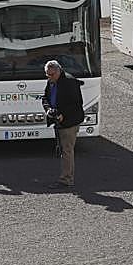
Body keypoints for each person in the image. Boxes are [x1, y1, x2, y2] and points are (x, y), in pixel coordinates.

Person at [41, 59, 84, 189]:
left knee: (67, 150)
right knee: (64, 150)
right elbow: (45, 98)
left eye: (52, 74)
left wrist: (62, 114)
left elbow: (77, 104)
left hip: (69, 122)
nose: (49, 77)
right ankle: (66, 177)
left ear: (59, 71)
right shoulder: (51, 81)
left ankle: (66, 179)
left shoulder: (70, 82)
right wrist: (49, 110)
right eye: (47, 75)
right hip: (58, 122)